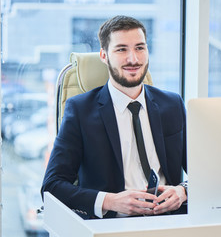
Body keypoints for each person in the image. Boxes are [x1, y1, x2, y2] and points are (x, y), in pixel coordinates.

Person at [41, 15, 187, 219]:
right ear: (104, 55)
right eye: (121, 49)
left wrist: (184, 191)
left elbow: (205, 172)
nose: (133, 59)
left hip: (171, 220)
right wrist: (110, 201)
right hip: (112, 225)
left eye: (139, 48)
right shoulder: (80, 110)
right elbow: (52, 186)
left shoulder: (172, 104)